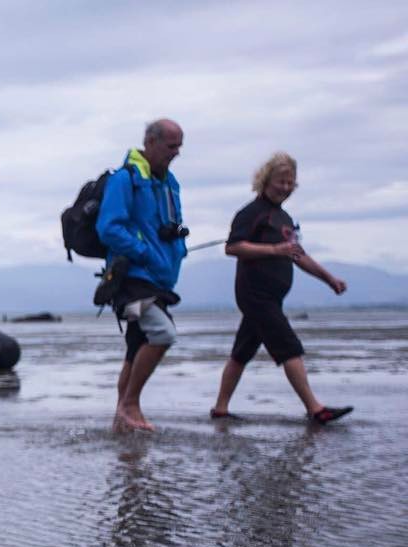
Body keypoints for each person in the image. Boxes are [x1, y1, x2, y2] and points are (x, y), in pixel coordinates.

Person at [210, 152, 351, 425]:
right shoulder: (250, 213)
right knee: (289, 348)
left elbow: (297, 254)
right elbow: (233, 247)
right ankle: (315, 409)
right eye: (280, 182)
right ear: (266, 180)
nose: (286, 188)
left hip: (272, 296)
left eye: (290, 183)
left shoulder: (284, 218)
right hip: (255, 295)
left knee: (242, 352)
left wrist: (329, 279)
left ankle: (220, 409)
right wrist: (275, 249)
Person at [96, 118, 188, 432]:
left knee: (136, 347)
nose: (175, 153)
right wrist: (144, 252)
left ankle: (121, 422)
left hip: (159, 279)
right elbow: (108, 228)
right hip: (132, 278)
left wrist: (178, 247)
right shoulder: (125, 179)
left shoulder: (170, 182)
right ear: (149, 142)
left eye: (179, 147)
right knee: (163, 334)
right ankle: (130, 404)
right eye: (170, 146)